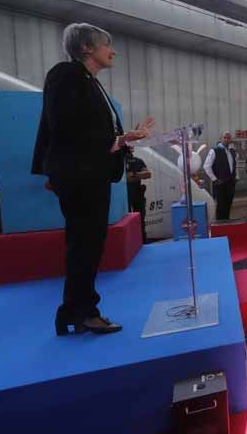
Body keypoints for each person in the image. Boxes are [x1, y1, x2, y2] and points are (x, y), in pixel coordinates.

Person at [31, 22, 154, 336]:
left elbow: (86, 131)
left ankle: (74, 312)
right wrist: (117, 139)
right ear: (86, 47)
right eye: (106, 45)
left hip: (88, 174)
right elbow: (65, 126)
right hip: (80, 176)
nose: (113, 51)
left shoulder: (87, 81)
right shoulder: (66, 75)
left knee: (86, 246)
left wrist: (124, 138)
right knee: (85, 245)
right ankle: (83, 312)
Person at [204, 131, 238, 220]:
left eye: (228, 138)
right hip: (220, 184)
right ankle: (220, 225)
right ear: (221, 139)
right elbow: (206, 166)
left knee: (228, 205)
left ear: (231, 139)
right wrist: (215, 179)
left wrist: (236, 177)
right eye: (225, 137)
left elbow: (234, 165)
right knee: (221, 206)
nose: (227, 139)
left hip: (230, 183)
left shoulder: (232, 151)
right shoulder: (215, 150)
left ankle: (226, 223)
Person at [125, 147, 151, 243]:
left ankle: (142, 242)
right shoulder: (119, 163)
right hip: (125, 197)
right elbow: (125, 178)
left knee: (140, 221)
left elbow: (148, 174)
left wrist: (134, 175)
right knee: (126, 222)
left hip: (138, 194)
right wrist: (137, 176)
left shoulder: (138, 161)